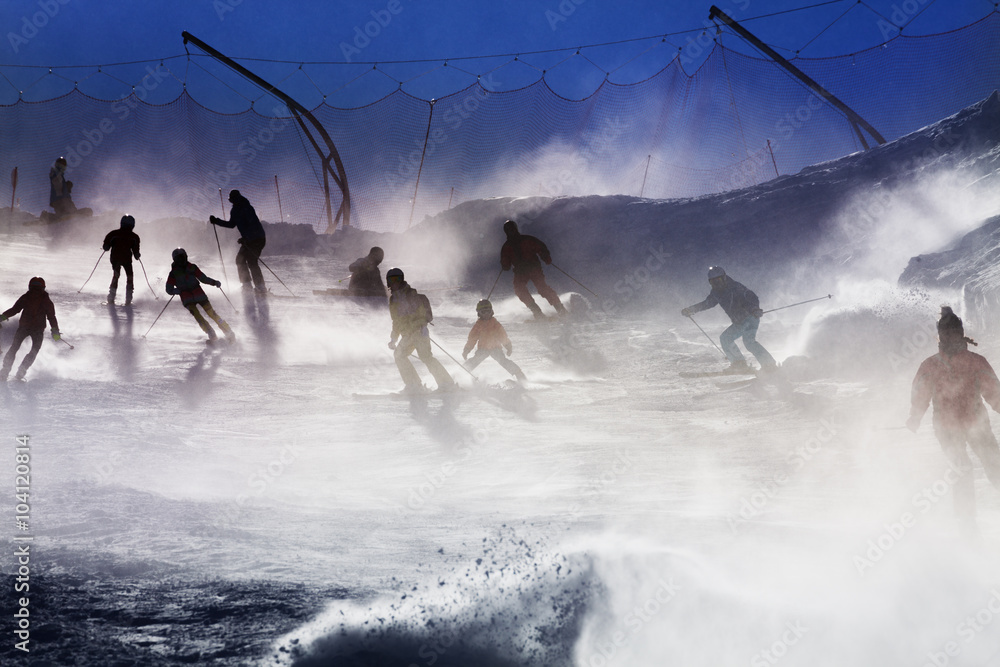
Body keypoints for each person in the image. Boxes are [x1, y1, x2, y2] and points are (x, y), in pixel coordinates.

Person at [907, 306, 1000, 529]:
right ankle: (966, 522)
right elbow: (920, 394)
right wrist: (915, 417)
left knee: (994, 463)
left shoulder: (976, 361)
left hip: (977, 423)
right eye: (945, 333)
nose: (949, 337)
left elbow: (993, 392)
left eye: (953, 332)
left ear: (961, 333)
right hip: (946, 428)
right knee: (961, 468)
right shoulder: (930, 365)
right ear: (939, 336)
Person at [681, 266, 776, 372]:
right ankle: (739, 364)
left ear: (724, 278)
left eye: (718, 280)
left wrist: (754, 309)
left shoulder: (735, 287)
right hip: (738, 322)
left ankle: (769, 365)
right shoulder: (716, 292)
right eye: (713, 282)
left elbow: (752, 297)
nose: (717, 284)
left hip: (750, 318)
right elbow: (708, 303)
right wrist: (691, 309)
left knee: (749, 342)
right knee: (725, 338)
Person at [386, 267, 454, 392]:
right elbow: (396, 322)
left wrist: (421, 326)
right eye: (392, 279)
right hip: (407, 335)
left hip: (419, 332)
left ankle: (446, 384)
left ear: (402, 280)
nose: (395, 282)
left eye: (397, 279)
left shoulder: (414, 296)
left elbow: (427, 315)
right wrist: (393, 339)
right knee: (399, 355)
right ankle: (414, 385)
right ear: (388, 282)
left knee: (425, 357)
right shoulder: (393, 301)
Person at [165, 248, 235, 345]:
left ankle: (228, 332)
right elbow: (168, 289)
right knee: (198, 316)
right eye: (179, 258)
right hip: (187, 298)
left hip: (199, 294)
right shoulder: (173, 273)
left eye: (183, 257)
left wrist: (214, 282)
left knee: (211, 313)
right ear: (175, 260)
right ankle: (212, 334)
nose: (182, 260)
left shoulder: (192, 267)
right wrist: (175, 290)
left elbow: (203, 278)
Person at [500, 219, 566, 319]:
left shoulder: (526, 239)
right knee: (519, 289)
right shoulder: (507, 246)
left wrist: (545, 257)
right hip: (520, 271)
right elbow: (505, 261)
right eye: (508, 230)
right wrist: (505, 265)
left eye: (512, 229)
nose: (511, 232)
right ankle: (537, 312)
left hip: (533, 268)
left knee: (542, 288)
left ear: (515, 229)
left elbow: (540, 247)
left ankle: (560, 309)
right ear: (506, 232)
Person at [0, 277, 60, 381]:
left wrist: (2, 317)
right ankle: (21, 372)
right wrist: (55, 330)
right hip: (37, 329)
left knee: (14, 348)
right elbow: (51, 317)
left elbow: (15, 309)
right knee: (34, 350)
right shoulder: (46, 300)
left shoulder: (26, 297)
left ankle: (4, 372)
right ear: (44, 288)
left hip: (24, 327)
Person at [209, 189, 266, 294]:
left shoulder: (247, 208)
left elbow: (253, 224)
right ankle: (247, 285)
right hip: (248, 240)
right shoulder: (234, 210)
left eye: (235, 199)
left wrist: (247, 237)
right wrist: (216, 221)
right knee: (240, 260)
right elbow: (231, 224)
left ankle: (261, 287)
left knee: (252, 261)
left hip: (257, 238)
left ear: (239, 197)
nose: (233, 201)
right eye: (231, 200)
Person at [462, 299, 526, 380]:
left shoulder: (495, 324)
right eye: (483, 312)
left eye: (488, 311)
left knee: (503, 360)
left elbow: (502, 336)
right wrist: (467, 350)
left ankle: (518, 373)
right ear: (479, 313)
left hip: (495, 348)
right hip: (483, 349)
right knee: (476, 360)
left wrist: (508, 346)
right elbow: (472, 339)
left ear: (492, 312)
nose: (486, 314)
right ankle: (462, 372)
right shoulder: (478, 325)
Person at [102, 214, 141, 305]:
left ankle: (111, 298)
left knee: (116, 275)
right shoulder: (134, 237)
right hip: (126, 260)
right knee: (129, 276)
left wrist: (106, 247)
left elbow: (106, 244)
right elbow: (136, 250)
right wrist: (136, 255)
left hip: (116, 258)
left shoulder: (114, 234)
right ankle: (128, 299)